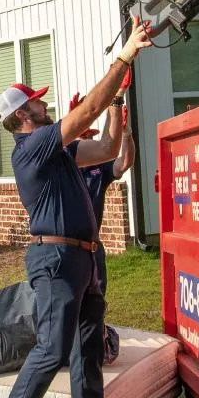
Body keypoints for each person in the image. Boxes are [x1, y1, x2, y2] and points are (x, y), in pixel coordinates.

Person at [0, 16, 151, 398]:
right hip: (54, 259)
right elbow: (84, 115)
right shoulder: (30, 148)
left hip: (83, 258)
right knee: (53, 347)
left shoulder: (57, 151)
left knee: (87, 351)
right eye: (36, 102)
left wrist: (118, 99)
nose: (44, 104)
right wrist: (124, 56)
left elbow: (109, 145)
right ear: (21, 117)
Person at [69, 67, 135, 297]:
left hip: (93, 244)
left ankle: (98, 331)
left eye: (89, 137)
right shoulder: (62, 165)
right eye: (82, 136)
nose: (87, 141)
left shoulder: (99, 168)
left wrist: (125, 134)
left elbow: (123, 164)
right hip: (66, 246)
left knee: (96, 300)